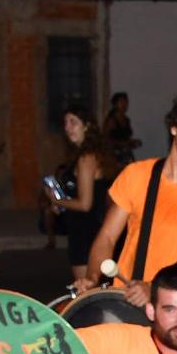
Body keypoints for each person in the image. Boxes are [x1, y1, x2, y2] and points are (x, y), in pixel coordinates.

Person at [85, 91, 177, 304]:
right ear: (174, 128)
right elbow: (108, 236)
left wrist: (156, 288)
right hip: (124, 295)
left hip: (175, 304)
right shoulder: (137, 174)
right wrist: (92, 277)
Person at [46, 103, 113, 287]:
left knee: (86, 290)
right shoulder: (83, 155)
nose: (67, 128)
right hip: (84, 228)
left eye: (73, 122)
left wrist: (57, 200)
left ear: (87, 126)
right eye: (65, 123)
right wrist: (62, 203)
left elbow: (85, 203)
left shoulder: (86, 158)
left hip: (86, 230)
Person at [104, 92, 139, 165]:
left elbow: (126, 137)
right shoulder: (111, 120)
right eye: (121, 102)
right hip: (114, 154)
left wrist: (132, 142)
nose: (124, 105)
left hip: (125, 153)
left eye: (126, 102)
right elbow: (105, 138)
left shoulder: (126, 120)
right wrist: (120, 143)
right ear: (115, 104)